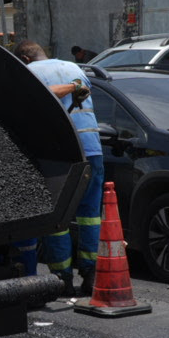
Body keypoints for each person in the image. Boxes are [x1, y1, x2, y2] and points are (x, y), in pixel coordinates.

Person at [13, 40, 105, 297]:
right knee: (90, 216)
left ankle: (61, 278)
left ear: (25, 59)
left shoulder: (29, 73)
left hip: (62, 153)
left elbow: (34, 102)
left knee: (58, 218)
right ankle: (91, 275)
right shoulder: (73, 68)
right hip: (93, 150)